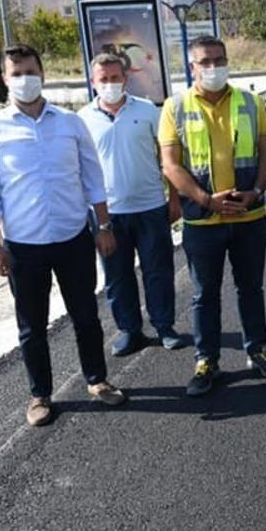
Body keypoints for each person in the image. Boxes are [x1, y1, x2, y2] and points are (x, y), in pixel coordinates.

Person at [0, 44, 127, 427]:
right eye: (17, 73)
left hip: (73, 238)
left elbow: (92, 177)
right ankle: (40, 394)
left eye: (31, 71)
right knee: (32, 326)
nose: (25, 79)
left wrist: (103, 225)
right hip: (23, 246)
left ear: (42, 74)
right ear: (5, 79)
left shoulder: (70, 123)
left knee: (86, 316)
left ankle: (97, 379)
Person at [159, 35, 266, 396]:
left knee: (251, 288)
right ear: (192, 67)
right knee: (204, 295)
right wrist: (205, 200)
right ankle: (206, 361)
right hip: (202, 221)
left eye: (219, 60)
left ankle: (258, 350)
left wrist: (256, 191)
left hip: (248, 216)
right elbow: (170, 164)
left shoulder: (250, 102)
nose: (214, 67)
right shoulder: (174, 107)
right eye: (206, 61)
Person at [78, 52, 185, 357]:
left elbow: (168, 157)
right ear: (93, 82)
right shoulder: (82, 120)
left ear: (125, 79)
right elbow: (79, 168)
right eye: (104, 79)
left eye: (115, 78)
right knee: (116, 276)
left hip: (151, 207)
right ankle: (130, 330)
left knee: (158, 270)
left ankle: (164, 326)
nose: (110, 84)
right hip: (107, 213)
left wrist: (174, 197)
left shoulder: (148, 111)